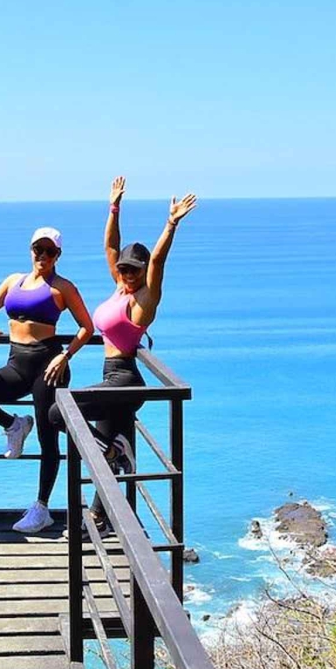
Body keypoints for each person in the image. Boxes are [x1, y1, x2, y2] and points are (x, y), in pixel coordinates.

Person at [42, 177, 198, 532]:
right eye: (124, 269)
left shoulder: (144, 300)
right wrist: (114, 205)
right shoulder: (119, 285)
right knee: (104, 456)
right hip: (113, 376)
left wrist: (170, 224)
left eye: (133, 270)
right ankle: (101, 513)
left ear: (143, 274)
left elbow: (157, 261)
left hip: (125, 379)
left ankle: (117, 450)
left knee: (57, 412)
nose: (126, 273)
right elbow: (111, 247)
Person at [0, 226, 96, 533]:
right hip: (17, 365)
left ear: (58, 255)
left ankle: (41, 508)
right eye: (38, 249)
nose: (42, 256)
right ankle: (14, 424)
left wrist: (66, 355)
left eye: (49, 251)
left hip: (49, 366)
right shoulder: (13, 281)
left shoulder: (63, 288)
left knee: (49, 437)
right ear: (30, 250)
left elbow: (87, 327)